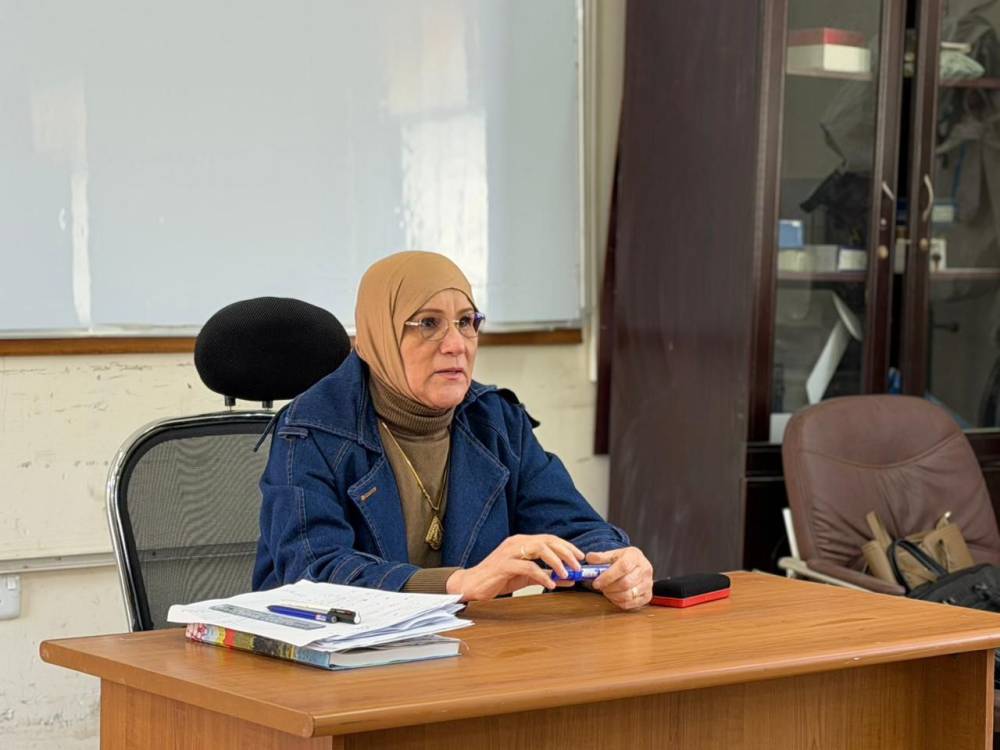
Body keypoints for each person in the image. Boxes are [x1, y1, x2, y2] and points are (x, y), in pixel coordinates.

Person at [252, 251, 653, 609]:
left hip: (468, 651)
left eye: (466, 322)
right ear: (380, 333)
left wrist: (612, 562)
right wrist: (457, 584)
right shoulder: (309, 431)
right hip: (332, 657)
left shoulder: (495, 421)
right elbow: (313, 571)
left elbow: (573, 526)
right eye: (429, 323)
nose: (456, 344)